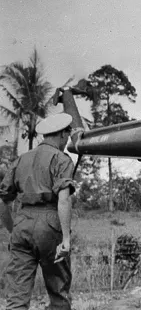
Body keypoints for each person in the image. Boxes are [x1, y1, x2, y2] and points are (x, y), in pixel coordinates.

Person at [0, 113, 76, 310]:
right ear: (61, 134)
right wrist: (66, 239)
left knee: (16, 297)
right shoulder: (61, 159)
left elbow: (3, 200)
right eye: (67, 135)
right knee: (58, 292)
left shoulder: (20, 160)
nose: (67, 139)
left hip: (22, 223)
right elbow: (63, 199)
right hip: (49, 224)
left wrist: (12, 229)